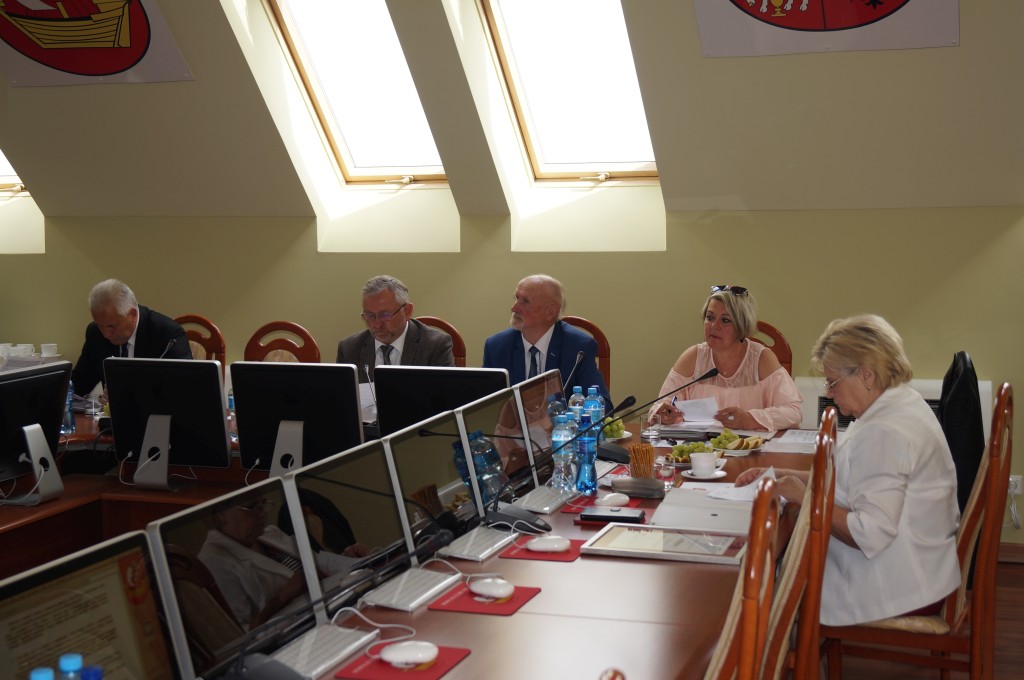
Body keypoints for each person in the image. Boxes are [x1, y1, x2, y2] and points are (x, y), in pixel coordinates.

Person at [735, 314, 960, 626]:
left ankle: (769, 648)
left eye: (833, 382)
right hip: (921, 567)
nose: (829, 392)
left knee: (765, 583)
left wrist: (807, 498)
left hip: (896, 583)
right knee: (780, 563)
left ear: (867, 374)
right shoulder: (901, 401)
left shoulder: (884, 431)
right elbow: (852, 478)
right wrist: (782, 476)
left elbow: (870, 533)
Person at [198, 495, 369, 630]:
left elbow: (316, 564)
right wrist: (280, 598)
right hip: (305, 632)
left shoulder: (269, 533)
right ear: (221, 514)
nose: (263, 513)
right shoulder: (213, 562)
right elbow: (241, 637)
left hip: (337, 605)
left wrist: (346, 557)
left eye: (262, 504)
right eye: (252, 507)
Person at [650, 285, 801, 431]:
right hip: (700, 447)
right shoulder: (692, 357)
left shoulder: (761, 358)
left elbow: (794, 412)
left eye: (725, 320)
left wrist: (749, 419)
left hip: (749, 446)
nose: (714, 326)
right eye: (710, 317)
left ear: (741, 326)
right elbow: (661, 405)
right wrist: (662, 413)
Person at [483, 274, 611, 407]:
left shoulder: (578, 347)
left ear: (550, 312)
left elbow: (602, 405)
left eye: (525, 301)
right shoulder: (496, 347)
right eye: (516, 298)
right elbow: (484, 407)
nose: (514, 308)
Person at [71, 279, 191, 396]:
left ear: (132, 315)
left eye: (111, 326)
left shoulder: (167, 335)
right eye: (99, 325)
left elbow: (184, 388)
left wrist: (130, 396)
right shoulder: (95, 333)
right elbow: (80, 383)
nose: (106, 334)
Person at [336, 275, 454, 382]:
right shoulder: (349, 349)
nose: (377, 325)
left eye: (385, 315)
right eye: (370, 316)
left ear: (407, 311)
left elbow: (445, 394)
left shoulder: (435, 346)